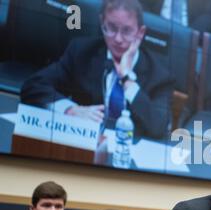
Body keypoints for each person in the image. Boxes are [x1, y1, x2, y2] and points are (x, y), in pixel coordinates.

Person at [20, 0, 174, 139]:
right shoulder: (82, 52)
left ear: (140, 33)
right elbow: (33, 86)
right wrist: (70, 109)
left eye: (127, 31)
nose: (118, 39)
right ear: (102, 23)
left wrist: (127, 79)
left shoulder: (160, 75)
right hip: (82, 145)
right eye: (111, 28)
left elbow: (159, 127)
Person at [145, 0, 211, 33]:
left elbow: (209, 14)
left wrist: (188, 34)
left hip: (189, 32)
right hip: (155, 28)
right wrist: (153, 25)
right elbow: (142, 4)